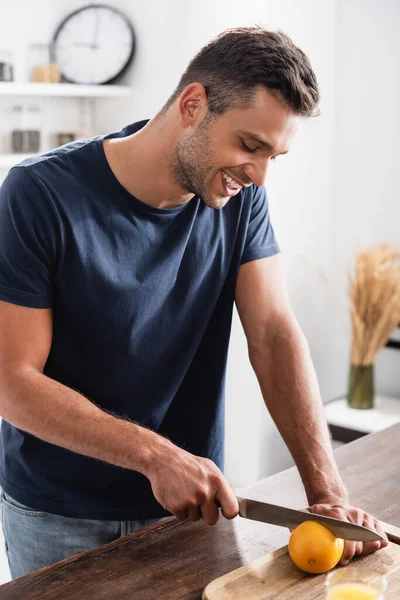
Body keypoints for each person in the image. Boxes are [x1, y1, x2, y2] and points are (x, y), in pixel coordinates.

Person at [0, 26, 388, 580]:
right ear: (192, 104)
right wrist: (155, 456)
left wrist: (325, 491)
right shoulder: (37, 195)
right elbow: (11, 380)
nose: (258, 173)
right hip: (60, 513)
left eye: (274, 155)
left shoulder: (241, 199)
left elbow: (274, 335)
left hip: (192, 509)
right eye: (250, 145)